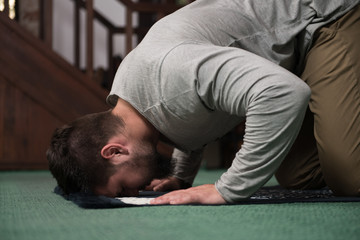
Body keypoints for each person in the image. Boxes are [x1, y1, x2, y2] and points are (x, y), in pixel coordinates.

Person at [47, 0, 360, 205]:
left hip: (324, 20)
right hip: (289, 55)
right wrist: (181, 177)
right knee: (299, 177)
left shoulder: (173, 74)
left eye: (121, 190)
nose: (133, 194)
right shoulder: (134, 100)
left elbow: (283, 93)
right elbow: (191, 112)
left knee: (350, 178)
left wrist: (227, 189)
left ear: (115, 151)